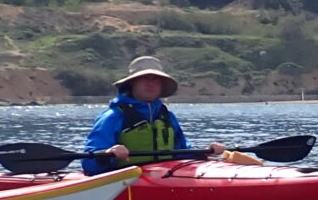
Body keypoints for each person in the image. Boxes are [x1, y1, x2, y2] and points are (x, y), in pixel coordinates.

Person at [82, 56, 222, 174]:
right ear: (132, 83)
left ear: (161, 85)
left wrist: (205, 152)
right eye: (145, 79)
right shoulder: (113, 117)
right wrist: (107, 153)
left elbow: (183, 152)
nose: (151, 84)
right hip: (127, 181)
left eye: (155, 79)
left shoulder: (167, 117)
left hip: (166, 178)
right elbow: (88, 165)